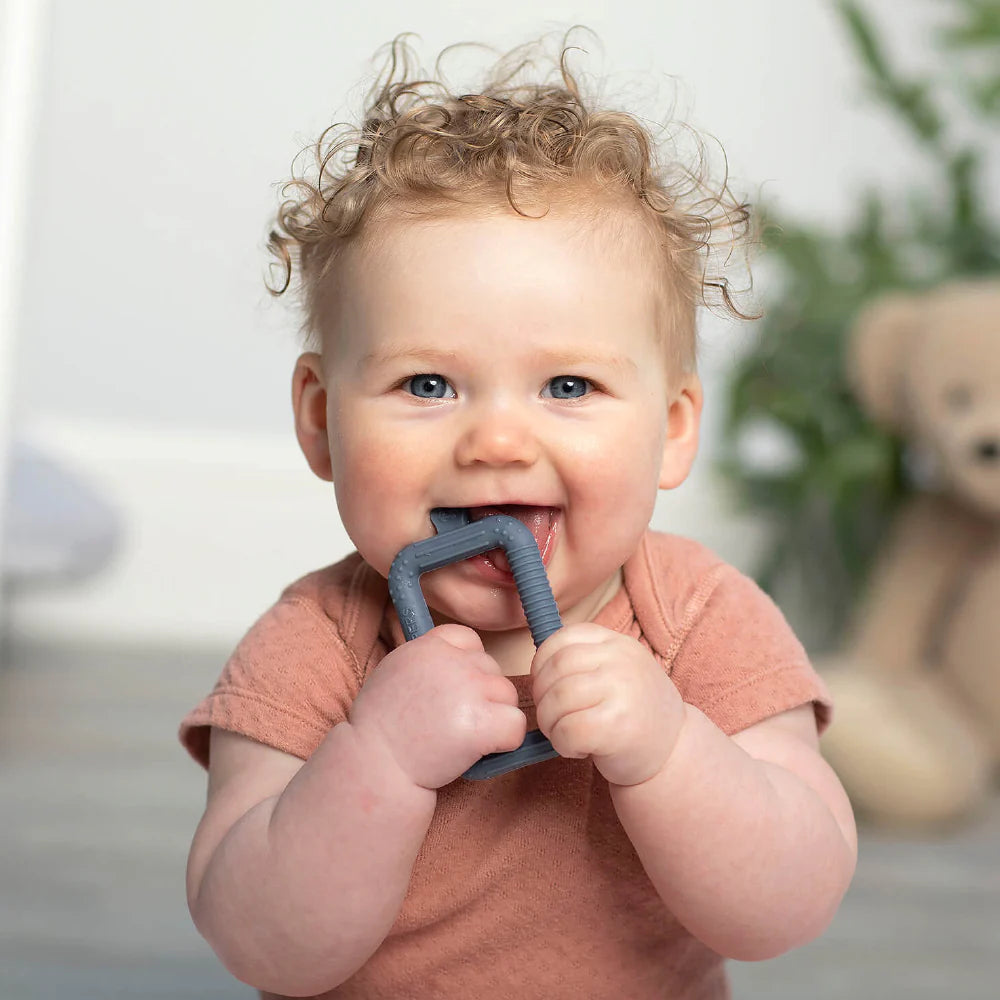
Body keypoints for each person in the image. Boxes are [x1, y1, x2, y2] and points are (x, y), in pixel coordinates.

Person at [179, 33, 856, 1000]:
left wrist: (669, 751)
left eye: (568, 384)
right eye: (428, 383)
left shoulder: (702, 621)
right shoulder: (312, 647)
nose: (497, 440)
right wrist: (377, 760)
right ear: (323, 421)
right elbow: (258, 941)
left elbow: (786, 909)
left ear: (670, 431)